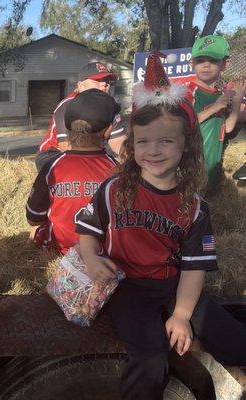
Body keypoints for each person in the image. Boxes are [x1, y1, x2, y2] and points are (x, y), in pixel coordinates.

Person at [75, 51, 246, 400]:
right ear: (132, 145)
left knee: (234, 341)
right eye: (143, 141)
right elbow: (87, 233)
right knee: (151, 358)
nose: (153, 151)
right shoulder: (114, 190)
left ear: (186, 146)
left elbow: (193, 268)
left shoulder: (193, 206)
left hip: (173, 284)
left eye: (166, 140)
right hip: (125, 286)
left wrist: (182, 315)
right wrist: (92, 260)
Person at [26, 89, 119, 254]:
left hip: (55, 252)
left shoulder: (52, 167)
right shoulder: (116, 170)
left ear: (68, 129)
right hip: (99, 255)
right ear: (108, 130)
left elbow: (33, 218)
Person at [36, 62, 126, 171]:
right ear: (80, 86)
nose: (104, 84)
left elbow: (120, 146)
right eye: (97, 80)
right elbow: (68, 149)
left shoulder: (111, 107)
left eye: (107, 80)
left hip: (92, 151)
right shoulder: (68, 106)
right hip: (53, 153)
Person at [186, 35, 245, 190]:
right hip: (191, 169)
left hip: (212, 167)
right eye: (200, 60)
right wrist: (214, 107)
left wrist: (237, 100)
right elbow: (181, 125)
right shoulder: (188, 91)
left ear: (225, 64)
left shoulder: (220, 95)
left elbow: (228, 128)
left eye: (213, 60)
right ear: (192, 64)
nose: (206, 65)